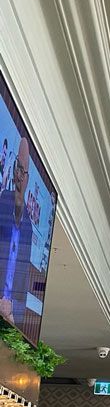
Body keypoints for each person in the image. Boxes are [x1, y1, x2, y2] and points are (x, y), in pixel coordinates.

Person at [0, 137, 30, 323]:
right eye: (17, 168)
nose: (19, 175)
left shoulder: (28, 229)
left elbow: (24, 290)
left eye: (23, 170)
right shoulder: (2, 203)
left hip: (10, 318)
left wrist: (12, 311)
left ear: (27, 179)